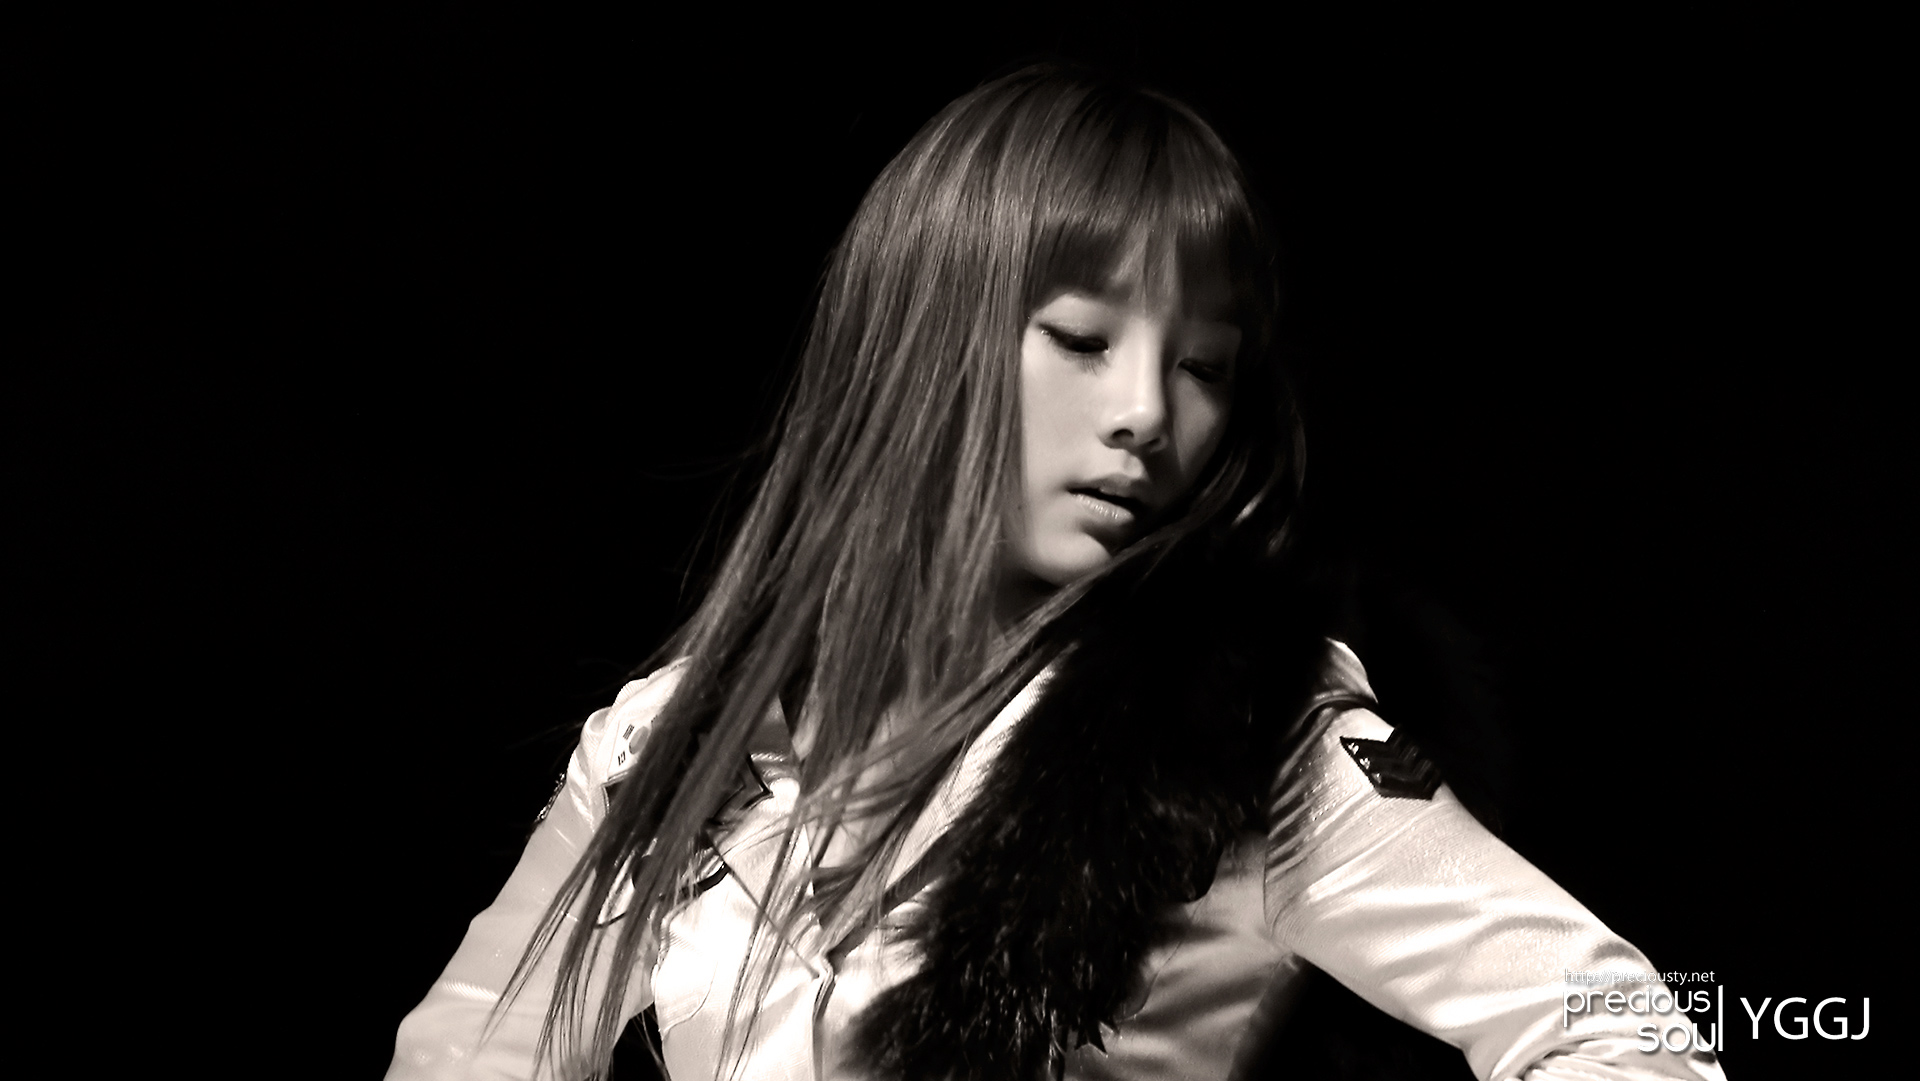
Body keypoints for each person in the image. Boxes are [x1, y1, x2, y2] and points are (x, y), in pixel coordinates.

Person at [387, 64, 1726, 1081]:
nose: (1146, 411)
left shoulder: (1237, 733)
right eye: (1083, 338)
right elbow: (466, 1057)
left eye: (1203, 365)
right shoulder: (667, 740)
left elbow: (1617, 1026)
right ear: (926, 336)